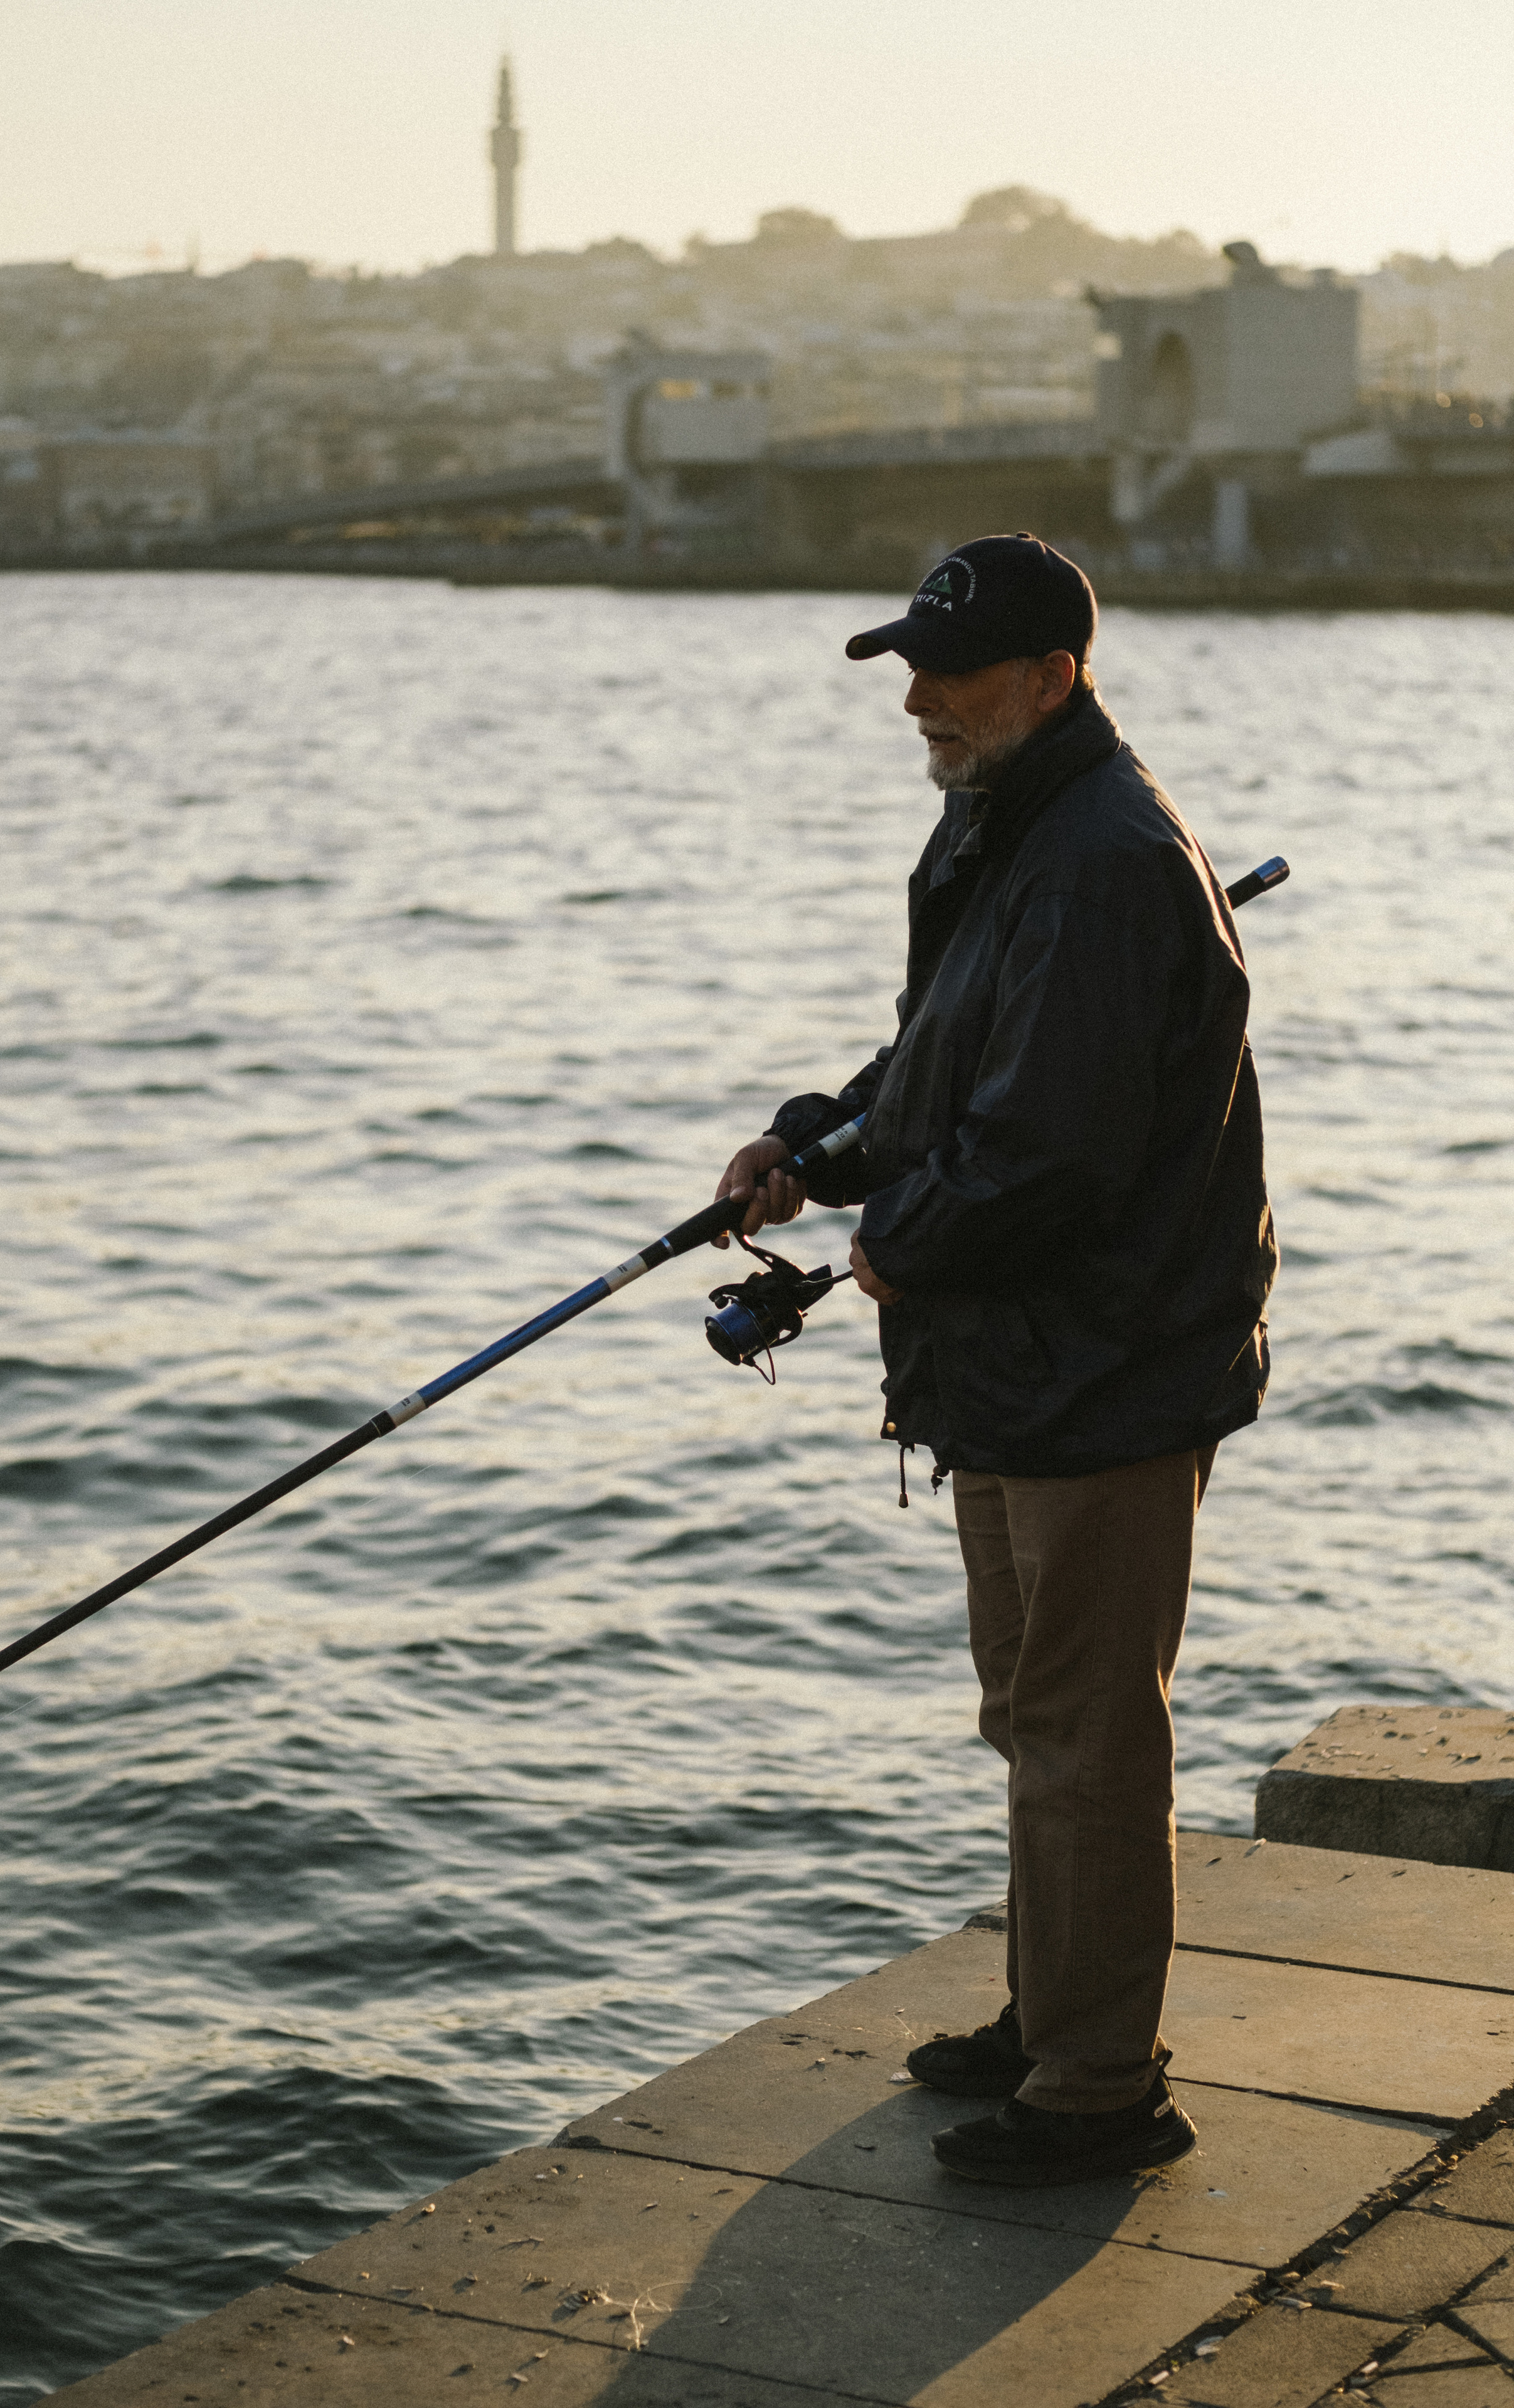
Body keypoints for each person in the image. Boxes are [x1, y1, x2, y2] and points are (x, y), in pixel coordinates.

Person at [714, 534, 1276, 2187]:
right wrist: (814, 1150)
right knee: (1038, 1716)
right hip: (1026, 1362)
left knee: (1094, 1735)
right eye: (909, 667)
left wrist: (902, 1242)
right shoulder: (1016, 824)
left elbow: (1051, 1158)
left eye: (948, 676)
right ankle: (1052, 2022)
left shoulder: (1101, 859)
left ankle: (1102, 2092)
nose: (916, 702)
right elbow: (949, 1054)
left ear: (1051, 680)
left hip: (1104, 1368)